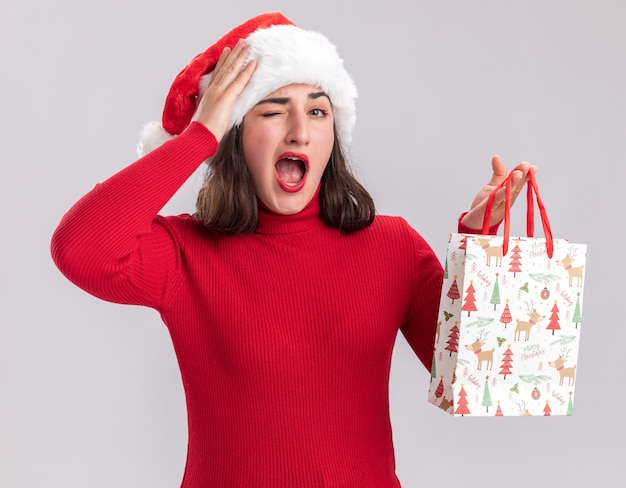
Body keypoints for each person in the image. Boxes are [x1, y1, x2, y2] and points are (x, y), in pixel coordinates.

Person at [51, 12, 535, 488]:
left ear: (333, 137)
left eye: (318, 111)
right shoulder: (185, 253)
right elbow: (79, 250)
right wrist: (199, 136)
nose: (300, 130)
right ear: (235, 136)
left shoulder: (394, 247)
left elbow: (481, 381)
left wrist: (482, 243)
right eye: (273, 108)